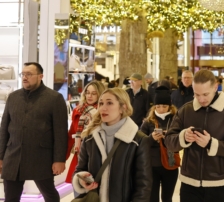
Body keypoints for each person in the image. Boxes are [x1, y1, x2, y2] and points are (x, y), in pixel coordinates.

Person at [165, 69, 224, 202]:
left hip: (221, 183)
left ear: (216, 87)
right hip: (190, 183)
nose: (201, 99)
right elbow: (169, 141)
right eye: (197, 94)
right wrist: (183, 137)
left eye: (205, 94)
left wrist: (211, 144)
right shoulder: (186, 110)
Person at [0, 62, 68, 202]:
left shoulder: (54, 98)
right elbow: (4, 129)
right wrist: (1, 156)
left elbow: (60, 132)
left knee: (49, 195)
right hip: (13, 155)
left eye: (29, 74)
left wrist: (59, 159)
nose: (25, 77)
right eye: (23, 74)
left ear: (40, 76)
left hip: (41, 157)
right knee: (10, 197)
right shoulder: (13, 97)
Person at [72, 88, 152, 202]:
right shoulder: (90, 137)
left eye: (109, 103)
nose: (103, 108)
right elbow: (80, 169)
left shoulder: (138, 140)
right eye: (101, 103)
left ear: (123, 107)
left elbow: (143, 184)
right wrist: (81, 180)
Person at [65, 81, 106, 195]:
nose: (89, 96)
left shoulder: (104, 111)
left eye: (94, 93)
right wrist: (62, 157)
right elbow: (71, 134)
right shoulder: (78, 110)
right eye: (87, 92)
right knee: (79, 192)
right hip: (81, 156)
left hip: (99, 156)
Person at [140, 86, 179, 202]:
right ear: (154, 106)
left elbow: (181, 141)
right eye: (158, 106)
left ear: (170, 106)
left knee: (167, 198)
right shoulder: (148, 122)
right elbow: (140, 143)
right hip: (152, 166)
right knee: (152, 198)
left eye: (164, 106)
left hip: (170, 165)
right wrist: (151, 138)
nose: (161, 109)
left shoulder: (176, 120)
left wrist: (168, 137)